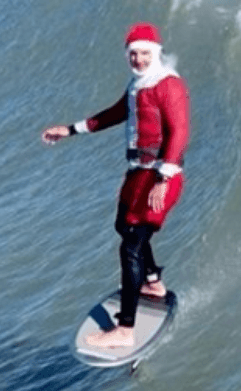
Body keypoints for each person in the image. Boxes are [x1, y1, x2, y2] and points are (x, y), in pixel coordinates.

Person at [41, 22, 190, 348]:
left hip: (162, 174)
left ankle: (125, 329)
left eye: (144, 53)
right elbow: (112, 115)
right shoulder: (138, 86)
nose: (138, 59)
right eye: (133, 54)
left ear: (156, 53)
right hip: (138, 173)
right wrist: (69, 130)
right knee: (124, 227)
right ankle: (153, 283)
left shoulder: (168, 86)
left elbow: (179, 133)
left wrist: (164, 179)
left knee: (132, 244)